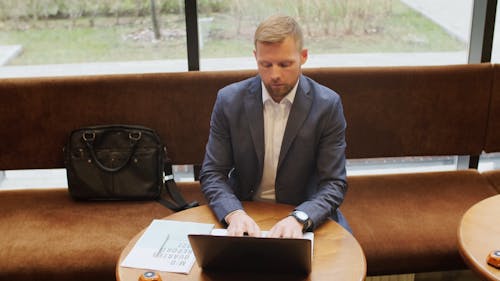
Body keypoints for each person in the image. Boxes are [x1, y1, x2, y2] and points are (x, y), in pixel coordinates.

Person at [200, 15, 350, 238]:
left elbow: (334, 183)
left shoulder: (327, 105)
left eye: (285, 64)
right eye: (266, 64)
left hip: (303, 213)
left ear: (304, 56)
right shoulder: (229, 100)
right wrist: (234, 213)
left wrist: (300, 218)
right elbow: (213, 173)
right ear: (255, 58)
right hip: (244, 211)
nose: (275, 75)